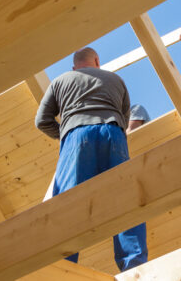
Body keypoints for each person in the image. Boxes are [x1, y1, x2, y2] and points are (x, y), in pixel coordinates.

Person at [35, 47, 147, 271]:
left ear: (74, 66)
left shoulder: (61, 80)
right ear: (97, 60)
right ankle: (135, 267)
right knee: (124, 199)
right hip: (113, 134)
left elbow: (41, 120)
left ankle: (62, 268)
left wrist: (65, 133)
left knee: (68, 203)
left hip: (76, 137)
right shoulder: (116, 79)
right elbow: (124, 119)